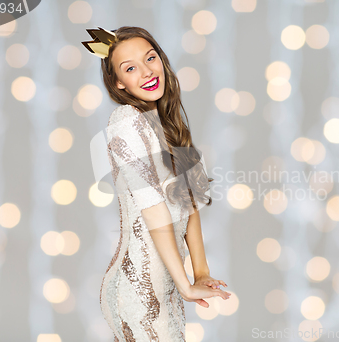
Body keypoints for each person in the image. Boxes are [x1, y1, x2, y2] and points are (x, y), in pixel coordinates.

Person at [82, 26, 230, 341]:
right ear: (118, 82)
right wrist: (185, 283)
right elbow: (153, 210)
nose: (147, 71)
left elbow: (190, 205)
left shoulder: (172, 125)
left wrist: (200, 272)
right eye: (130, 67)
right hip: (137, 288)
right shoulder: (125, 122)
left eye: (151, 58)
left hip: (168, 283)